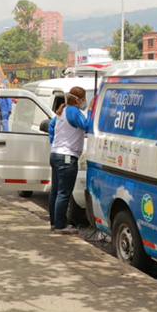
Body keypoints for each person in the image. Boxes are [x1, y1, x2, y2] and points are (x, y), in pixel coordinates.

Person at [47, 86, 90, 234]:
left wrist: (55, 143)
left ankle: (54, 222)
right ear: (78, 99)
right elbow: (86, 126)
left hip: (56, 154)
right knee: (64, 193)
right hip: (66, 157)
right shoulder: (73, 111)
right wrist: (91, 112)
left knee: (56, 191)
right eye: (84, 98)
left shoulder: (62, 111)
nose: (84, 101)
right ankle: (60, 226)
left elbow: (51, 126)